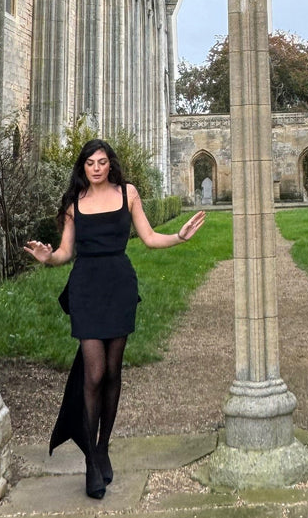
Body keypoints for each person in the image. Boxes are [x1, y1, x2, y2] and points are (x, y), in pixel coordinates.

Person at [22, 138, 205, 498]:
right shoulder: (75, 204)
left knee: (113, 372)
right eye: (89, 162)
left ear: (110, 165)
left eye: (102, 162)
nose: (96, 168)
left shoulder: (128, 194)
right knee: (94, 372)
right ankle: (91, 459)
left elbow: (149, 238)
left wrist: (179, 237)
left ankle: (103, 446)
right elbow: (65, 253)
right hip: (86, 289)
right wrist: (48, 258)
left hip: (119, 286)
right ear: (83, 167)